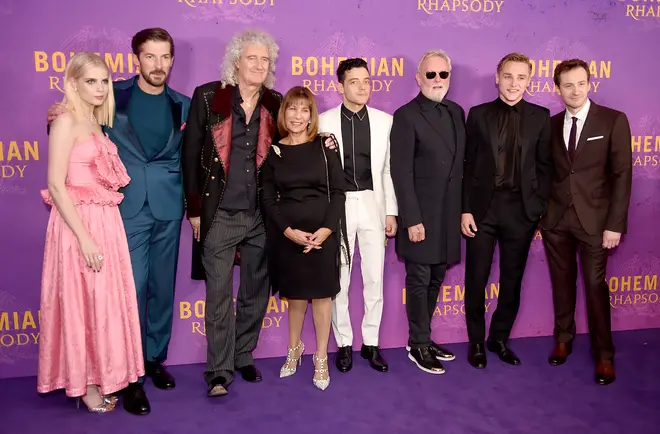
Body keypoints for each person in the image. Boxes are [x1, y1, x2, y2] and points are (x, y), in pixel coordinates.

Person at [181, 29, 337, 398]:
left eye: (265, 60)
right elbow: (189, 155)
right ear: (236, 61)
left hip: (264, 215)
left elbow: (297, 136)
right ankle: (218, 371)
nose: (259, 65)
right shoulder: (209, 97)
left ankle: (242, 356)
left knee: (256, 289)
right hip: (219, 211)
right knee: (218, 294)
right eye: (252, 58)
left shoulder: (275, 100)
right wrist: (194, 209)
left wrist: (325, 140)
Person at [47, 28, 190, 415]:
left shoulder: (185, 105)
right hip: (123, 211)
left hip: (168, 207)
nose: (158, 65)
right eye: (150, 57)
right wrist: (57, 114)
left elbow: (196, 155)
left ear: (172, 61)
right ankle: (131, 376)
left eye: (165, 57)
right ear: (137, 59)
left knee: (162, 288)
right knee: (130, 291)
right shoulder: (113, 96)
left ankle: (154, 359)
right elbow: (74, 131)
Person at [37, 52, 144, 413]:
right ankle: (84, 384)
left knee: (100, 303)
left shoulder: (98, 123)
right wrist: (83, 237)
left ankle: (98, 376)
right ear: (74, 83)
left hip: (106, 222)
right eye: (91, 81)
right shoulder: (64, 121)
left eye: (104, 81)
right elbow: (55, 183)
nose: (99, 88)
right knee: (82, 302)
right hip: (77, 225)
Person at [541, 59, 632, 385]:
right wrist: (543, 216)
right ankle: (563, 339)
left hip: (596, 222)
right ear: (558, 88)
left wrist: (615, 224)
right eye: (568, 85)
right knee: (561, 284)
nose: (575, 90)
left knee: (595, 286)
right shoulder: (549, 124)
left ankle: (604, 354)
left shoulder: (613, 120)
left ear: (590, 84)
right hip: (556, 221)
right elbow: (545, 172)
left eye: (580, 83)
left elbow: (622, 176)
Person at [461, 52, 552, 369]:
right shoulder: (478, 114)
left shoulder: (541, 117)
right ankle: (476, 342)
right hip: (483, 210)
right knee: (476, 278)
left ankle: (498, 339)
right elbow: (467, 165)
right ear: (497, 77)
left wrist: (538, 207)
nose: (514, 83)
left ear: (529, 80)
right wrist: (466, 209)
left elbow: (545, 167)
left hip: (521, 210)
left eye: (521, 77)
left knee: (512, 280)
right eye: (508, 76)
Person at [262, 86, 348, 391]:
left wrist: (326, 229)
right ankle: (293, 349)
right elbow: (269, 200)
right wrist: (289, 232)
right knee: (295, 298)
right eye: (292, 109)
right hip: (289, 236)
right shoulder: (274, 151)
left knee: (322, 298)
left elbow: (338, 191)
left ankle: (321, 357)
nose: (297, 116)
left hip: (323, 234)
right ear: (283, 113)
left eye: (304, 110)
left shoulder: (325, 146)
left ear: (312, 115)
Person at [318, 58, 398, 373]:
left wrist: (391, 211)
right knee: (339, 277)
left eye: (366, 80)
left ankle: (371, 343)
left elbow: (389, 169)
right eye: (354, 81)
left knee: (375, 277)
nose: (362, 87)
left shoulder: (385, 121)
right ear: (340, 86)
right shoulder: (322, 122)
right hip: (338, 206)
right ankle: (343, 344)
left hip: (373, 204)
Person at [390, 50, 465, 374]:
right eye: (430, 75)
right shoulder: (406, 115)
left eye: (443, 75)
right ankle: (417, 345)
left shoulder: (456, 111)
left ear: (449, 77)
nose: (437, 80)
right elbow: (400, 171)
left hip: (448, 214)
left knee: (436, 277)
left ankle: (423, 337)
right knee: (419, 279)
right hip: (421, 215)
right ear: (418, 78)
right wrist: (412, 219)